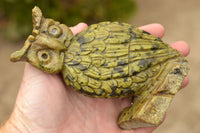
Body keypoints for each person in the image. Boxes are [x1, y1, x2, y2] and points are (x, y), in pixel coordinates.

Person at [0, 23, 190, 133]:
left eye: (54, 32)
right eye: (44, 56)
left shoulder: (87, 38)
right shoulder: (73, 74)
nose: (58, 46)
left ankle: (158, 79)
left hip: (148, 63)